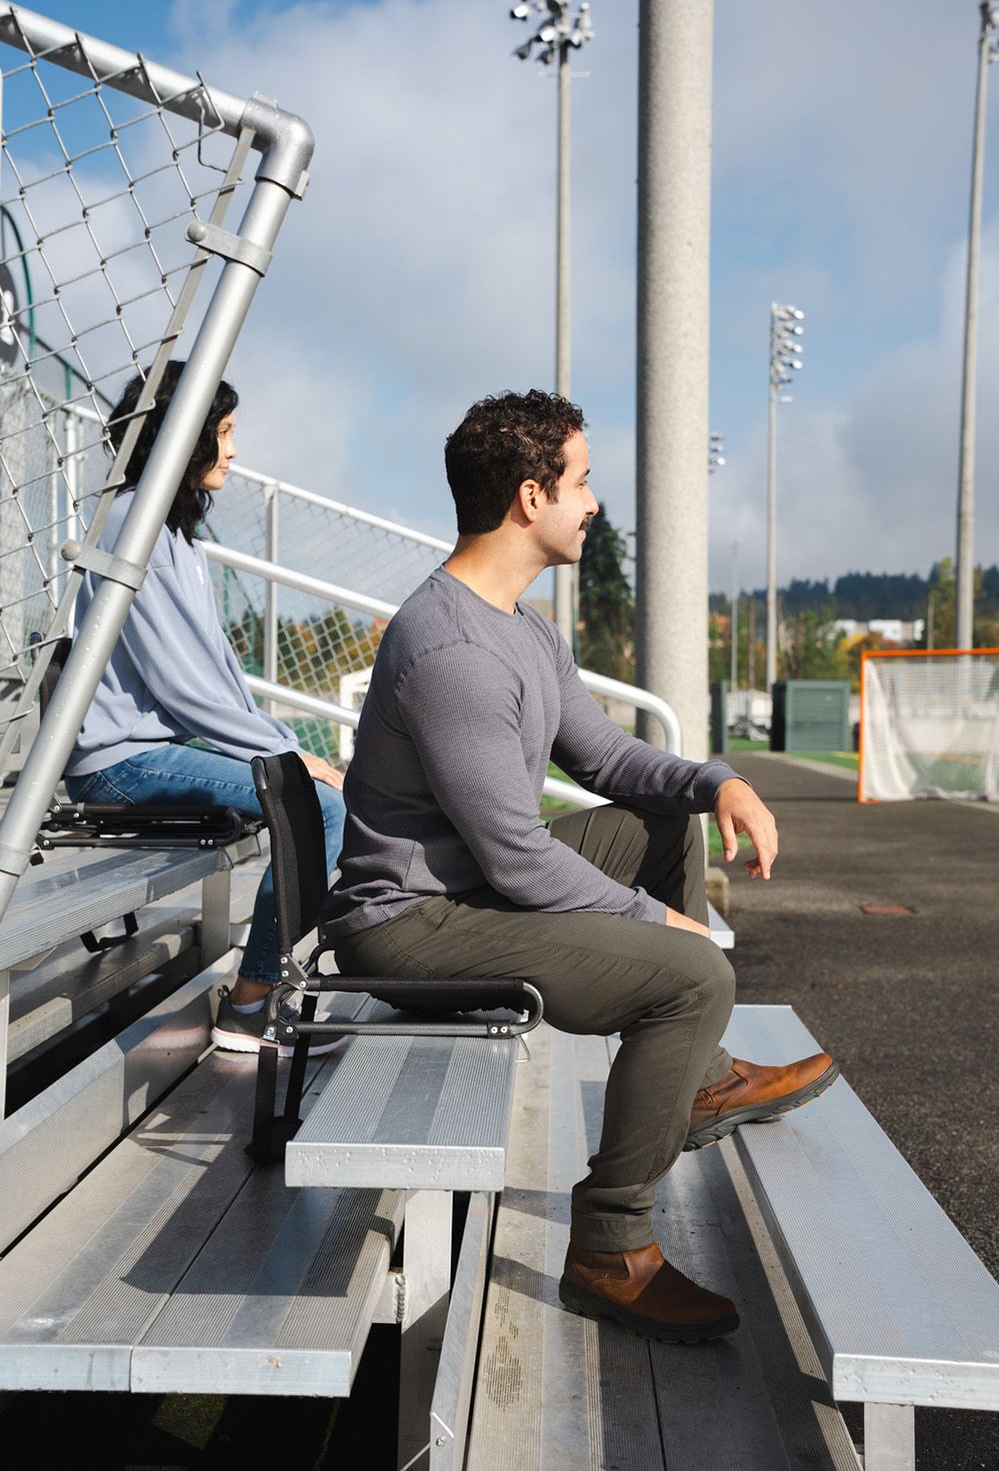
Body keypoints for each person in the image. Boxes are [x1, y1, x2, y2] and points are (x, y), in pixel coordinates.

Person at [325, 390, 838, 1344]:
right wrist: (658, 926)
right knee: (693, 973)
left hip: (467, 885)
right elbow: (518, 860)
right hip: (409, 922)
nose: (594, 502)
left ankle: (698, 1080)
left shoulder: (520, 624)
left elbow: (606, 761)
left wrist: (716, 782)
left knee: (666, 823)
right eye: (582, 480)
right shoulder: (450, 650)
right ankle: (610, 1246)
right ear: (529, 496)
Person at [64, 361, 346, 1057]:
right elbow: (182, 688)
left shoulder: (176, 535)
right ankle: (250, 1006)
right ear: (185, 439)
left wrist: (283, 745)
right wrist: (284, 757)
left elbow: (218, 677)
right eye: (223, 431)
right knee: (321, 804)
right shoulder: (136, 526)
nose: (235, 448)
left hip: (151, 745)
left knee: (325, 785)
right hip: (119, 761)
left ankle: (283, 981)